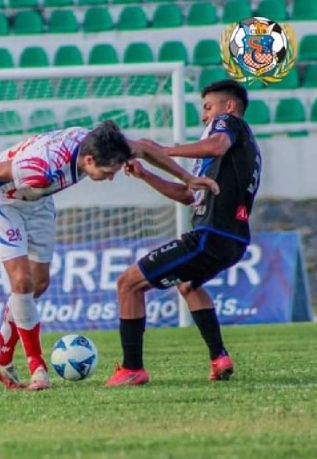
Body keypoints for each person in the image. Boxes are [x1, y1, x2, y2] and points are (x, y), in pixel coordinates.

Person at [0, 120, 218, 390]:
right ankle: (36, 367)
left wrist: (186, 177)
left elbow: (143, 146)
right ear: (89, 161)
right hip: (3, 199)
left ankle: (0, 358)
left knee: (39, 283)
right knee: (22, 282)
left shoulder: (102, 144)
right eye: (107, 173)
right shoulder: (39, 167)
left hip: (38, 201)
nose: (111, 178)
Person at [107, 79, 261, 386]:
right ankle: (219, 357)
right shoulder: (235, 155)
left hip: (211, 234)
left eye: (207, 108)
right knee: (188, 285)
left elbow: (216, 143)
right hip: (234, 240)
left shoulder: (228, 126)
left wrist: (163, 150)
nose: (204, 117)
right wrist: (146, 173)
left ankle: (132, 367)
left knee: (128, 284)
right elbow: (186, 195)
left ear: (228, 107)